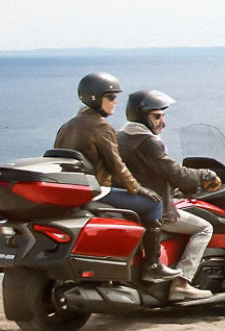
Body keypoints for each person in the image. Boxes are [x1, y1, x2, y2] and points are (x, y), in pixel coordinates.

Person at [54, 72, 173, 278]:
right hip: (98, 191)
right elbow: (117, 165)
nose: (115, 101)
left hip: (75, 190)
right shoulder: (101, 127)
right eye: (110, 96)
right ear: (95, 98)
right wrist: (138, 189)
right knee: (154, 203)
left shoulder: (67, 125)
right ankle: (152, 265)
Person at [117, 90, 223, 302]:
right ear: (142, 116)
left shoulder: (120, 137)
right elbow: (176, 173)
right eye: (157, 116)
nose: (162, 122)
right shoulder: (148, 142)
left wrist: (176, 188)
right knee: (204, 227)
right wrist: (205, 175)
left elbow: (146, 174)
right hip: (155, 209)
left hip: (127, 205)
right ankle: (183, 282)